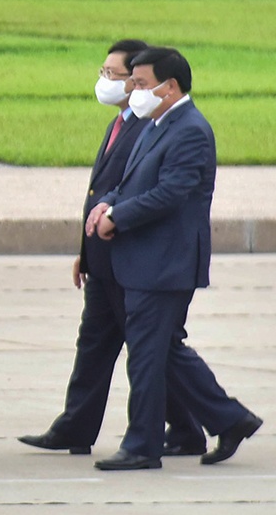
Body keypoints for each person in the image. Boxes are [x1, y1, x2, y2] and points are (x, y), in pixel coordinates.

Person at [19, 40, 205, 457]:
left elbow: (141, 195)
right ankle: (76, 426)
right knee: (97, 345)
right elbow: (102, 194)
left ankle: (199, 424)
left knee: (152, 351)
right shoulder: (124, 122)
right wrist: (86, 254)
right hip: (106, 258)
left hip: (133, 259)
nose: (107, 83)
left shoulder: (151, 124)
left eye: (117, 76)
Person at [86, 47, 262, 469]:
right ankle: (230, 418)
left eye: (142, 84)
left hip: (165, 262)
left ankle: (142, 446)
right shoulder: (155, 124)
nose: (135, 91)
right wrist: (106, 203)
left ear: (170, 88)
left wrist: (119, 217)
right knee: (163, 350)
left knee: (147, 356)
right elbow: (131, 180)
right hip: (145, 259)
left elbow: (170, 194)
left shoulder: (190, 130)